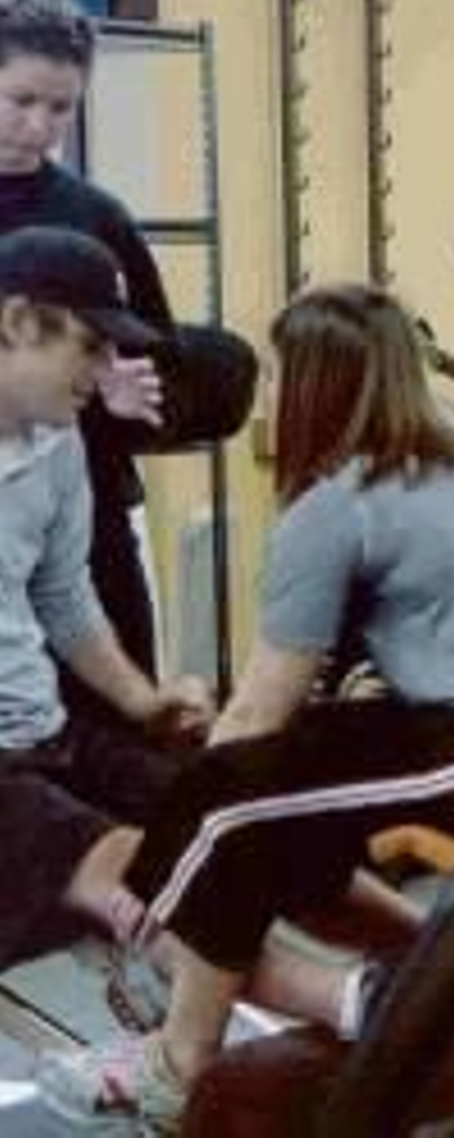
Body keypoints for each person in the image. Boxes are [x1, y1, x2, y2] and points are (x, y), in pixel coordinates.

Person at [36, 283, 454, 1133]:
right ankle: (421, 970)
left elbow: (255, 718)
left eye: (275, 378)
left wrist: (174, 825)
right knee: (284, 795)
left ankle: (176, 1060)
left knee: (228, 809)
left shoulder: (337, 506)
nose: (267, 398)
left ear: (313, 388)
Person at [0, 226, 213, 977]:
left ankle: (429, 958)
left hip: (42, 736)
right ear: (19, 323)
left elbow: (63, 597)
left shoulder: (58, 445)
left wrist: (145, 702)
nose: (105, 370)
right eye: (89, 346)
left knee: (222, 814)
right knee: (130, 867)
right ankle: (355, 1001)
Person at [0, 0, 176, 700]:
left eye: (61, 108)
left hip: (83, 508)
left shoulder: (96, 216)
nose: (40, 127)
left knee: (124, 714)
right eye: (21, 101)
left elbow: (157, 347)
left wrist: (120, 387)